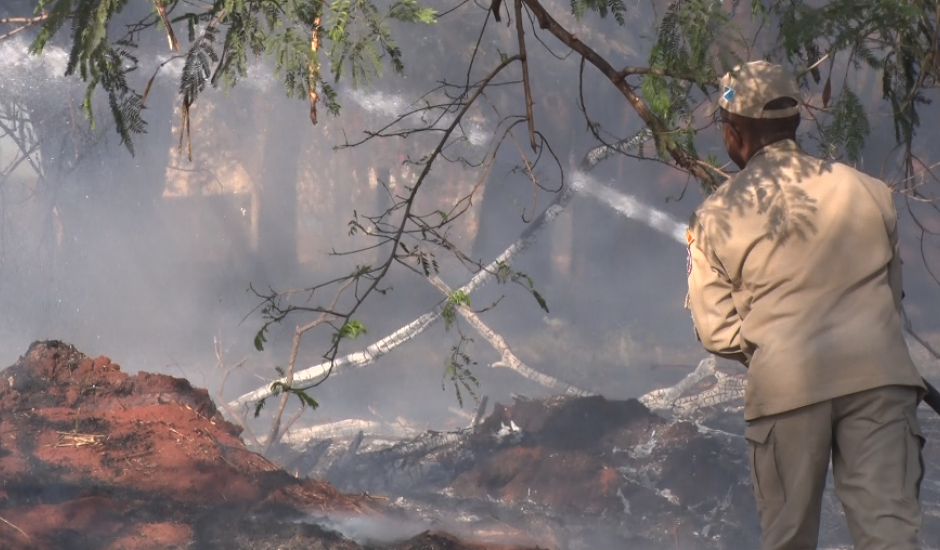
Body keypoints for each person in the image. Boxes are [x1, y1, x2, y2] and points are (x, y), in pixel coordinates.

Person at [685, 60, 928, 550]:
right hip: (880, 380)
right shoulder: (872, 193)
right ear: (794, 123)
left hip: (787, 389)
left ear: (735, 135)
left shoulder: (717, 215)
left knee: (789, 539)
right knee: (891, 537)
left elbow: (716, 333)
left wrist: (773, 340)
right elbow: (891, 295)